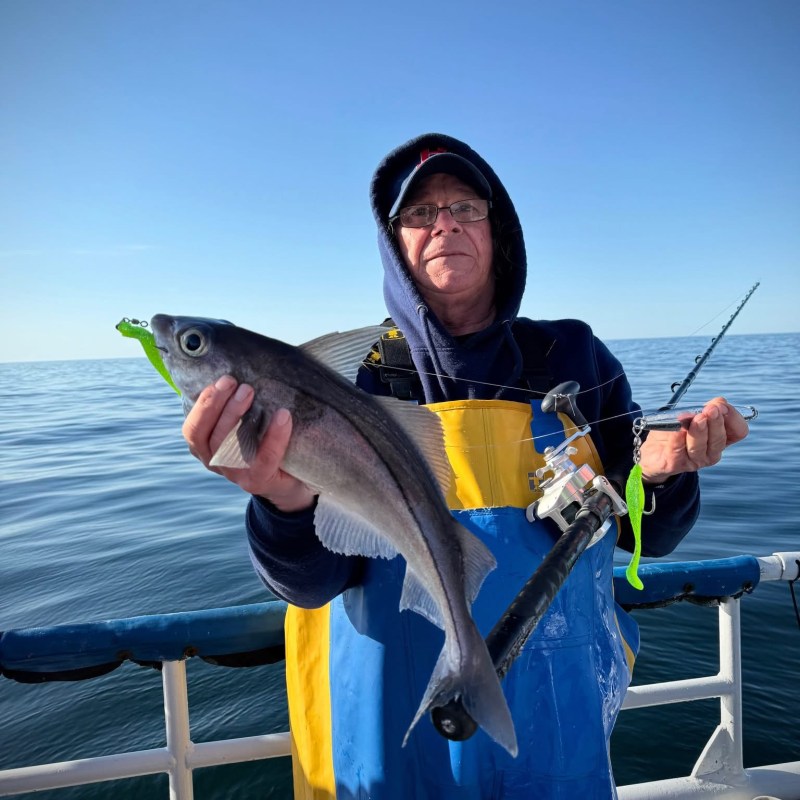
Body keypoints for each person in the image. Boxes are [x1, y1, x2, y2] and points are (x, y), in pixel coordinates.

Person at [183, 133, 749, 799]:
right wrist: (280, 505)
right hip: (396, 737)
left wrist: (664, 473)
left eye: (466, 208)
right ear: (395, 245)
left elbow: (641, 536)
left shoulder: (573, 356)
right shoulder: (353, 382)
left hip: (555, 728)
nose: (444, 223)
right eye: (419, 214)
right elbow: (312, 584)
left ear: (498, 231)